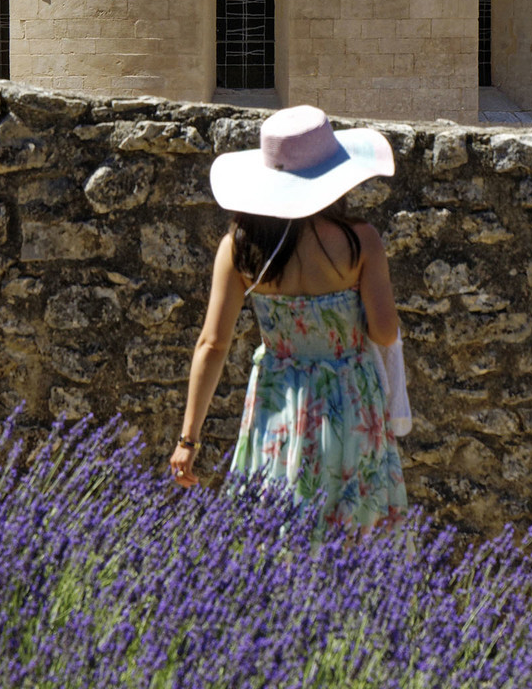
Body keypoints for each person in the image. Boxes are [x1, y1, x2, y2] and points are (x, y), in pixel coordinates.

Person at [167, 104, 407, 529]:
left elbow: (212, 344)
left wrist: (188, 440)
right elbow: (385, 332)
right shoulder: (360, 242)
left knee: (278, 531)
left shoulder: (240, 248)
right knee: (354, 536)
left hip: (279, 405)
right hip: (350, 404)